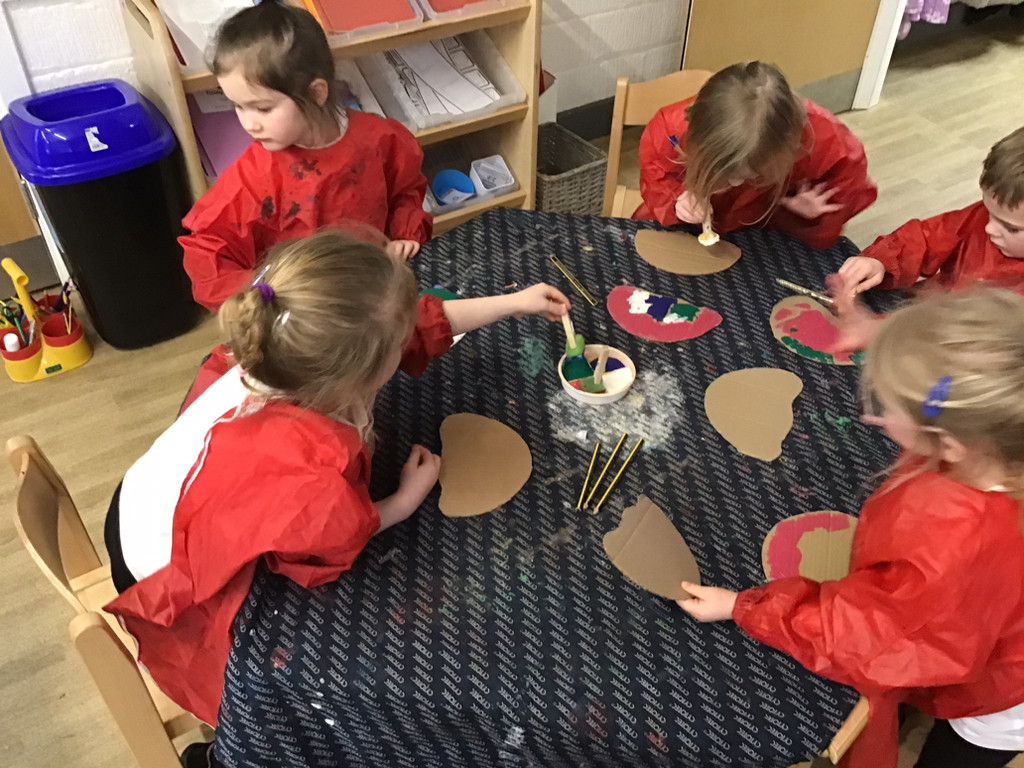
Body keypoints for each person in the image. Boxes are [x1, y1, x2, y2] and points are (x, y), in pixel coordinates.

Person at [104, 231, 571, 728]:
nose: (408, 340)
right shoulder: (311, 467)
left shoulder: (287, 343)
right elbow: (330, 535)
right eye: (398, 347)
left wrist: (514, 303)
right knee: (291, 696)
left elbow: (413, 324)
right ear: (355, 378)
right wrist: (402, 501)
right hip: (167, 576)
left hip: (140, 500)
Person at [677, 286, 1024, 768]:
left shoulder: (959, 544)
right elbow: (977, 373)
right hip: (977, 630)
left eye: (888, 406)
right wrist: (888, 339)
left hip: (1000, 695)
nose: (870, 414)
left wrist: (745, 607)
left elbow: (874, 637)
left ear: (949, 444)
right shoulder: (994, 435)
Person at [180, 0, 432, 312]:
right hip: (303, 311)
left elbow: (405, 191)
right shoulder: (254, 174)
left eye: (263, 108)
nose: (249, 124)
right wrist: (260, 291)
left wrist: (403, 237)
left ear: (316, 93)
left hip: (372, 288)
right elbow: (206, 249)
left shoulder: (380, 139)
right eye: (238, 107)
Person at [634, 61, 876, 251]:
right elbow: (657, 174)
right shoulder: (674, 129)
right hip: (686, 230)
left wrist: (805, 218)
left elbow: (838, 205)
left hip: (762, 235)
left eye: (751, 175)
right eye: (725, 173)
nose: (735, 183)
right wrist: (676, 200)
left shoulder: (827, 145)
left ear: (787, 148)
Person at [837, 125, 1024, 295]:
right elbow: (925, 238)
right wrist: (881, 261)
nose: (989, 227)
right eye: (988, 211)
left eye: (1011, 228)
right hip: (933, 302)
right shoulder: (979, 218)